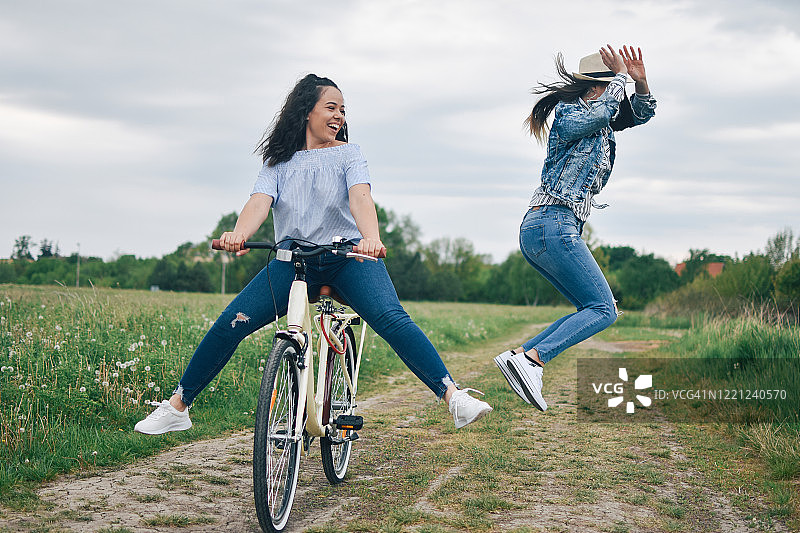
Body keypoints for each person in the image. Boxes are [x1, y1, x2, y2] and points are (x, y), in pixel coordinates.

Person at [135, 74, 492, 434]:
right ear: (307, 111)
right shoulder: (278, 162)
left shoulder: (349, 154)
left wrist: (370, 238)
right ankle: (178, 405)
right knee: (232, 321)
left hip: (348, 258)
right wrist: (239, 234)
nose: (339, 116)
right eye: (331, 108)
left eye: (343, 110)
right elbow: (260, 202)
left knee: (392, 318)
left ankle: (452, 397)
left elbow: (360, 197)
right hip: (294, 262)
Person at [494, 45, 656, 410]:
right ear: (595, 88)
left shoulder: (601, 121)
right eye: (613, 85)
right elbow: (606, 111)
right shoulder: (569, 116)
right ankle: (533, 360)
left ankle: (520, 355)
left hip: (548, 227)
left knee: (590, 305)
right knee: (604, 309)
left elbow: (640, 114)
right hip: (552, 223)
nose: (620, 93)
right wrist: (621, 79)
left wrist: (641, 83)